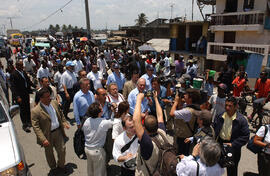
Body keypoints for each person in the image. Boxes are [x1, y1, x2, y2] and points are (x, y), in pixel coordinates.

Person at [31, 87, 70, 173]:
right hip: (47, 135)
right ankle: (53, 168)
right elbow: (36, 127)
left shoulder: (54, 103)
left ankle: (61, 166)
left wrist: (64, 122)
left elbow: (60, 113)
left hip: (58, 132)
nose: (50, 98)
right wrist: (43, 139)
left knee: (62, 150)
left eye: (49, 96)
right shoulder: (36, 111)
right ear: (41, 98)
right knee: (49, 154)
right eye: (47, 96)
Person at [213, 96, 250, 176]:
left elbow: (245, 136)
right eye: (226, 105)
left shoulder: (241, 120)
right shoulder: (220, 116)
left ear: (236, 107)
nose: (227, 108)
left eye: (230, 106)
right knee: (216, 168)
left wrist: (233, 144)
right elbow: (213, 129)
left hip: (233, 147)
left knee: (232, 170)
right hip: (220, 144)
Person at [133, 90, 167, 175]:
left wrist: (138, 100)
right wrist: (155, 98)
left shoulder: (146, 142)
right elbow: (160, 115)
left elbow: (135, 120)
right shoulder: (162, 132)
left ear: (145, 128)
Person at [82, 102, 113, 176]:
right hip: (97, 151)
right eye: (101, 109)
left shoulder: (87, 120)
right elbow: (114, 122)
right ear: (99, 112)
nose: (102, 110)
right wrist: (113, 111)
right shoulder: (104, 123)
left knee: (90, 169)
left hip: (87, 149)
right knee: (100, 172)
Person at [170, 88, 201, 155]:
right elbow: (181, 108)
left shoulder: (187, 111)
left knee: (181, 155)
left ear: (190, 99)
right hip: (188, 135)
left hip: (182, 138)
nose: (184, 96)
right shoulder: (195, 107)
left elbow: (172, 113)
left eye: (186, 95)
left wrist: (175, 101)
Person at [10, 60, 36, 132]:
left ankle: (29, 121)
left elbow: (28, 81)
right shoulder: (13, 74)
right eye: (21, 65)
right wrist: (17, 97)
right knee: (22, 110)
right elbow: (13, 87)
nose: (22, 66)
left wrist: (35, 86)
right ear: (17, 66)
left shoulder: (23, 72)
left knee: (27, 108)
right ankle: (25, 125)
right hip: (20, 96)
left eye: (22, 65)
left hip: (25, 94)